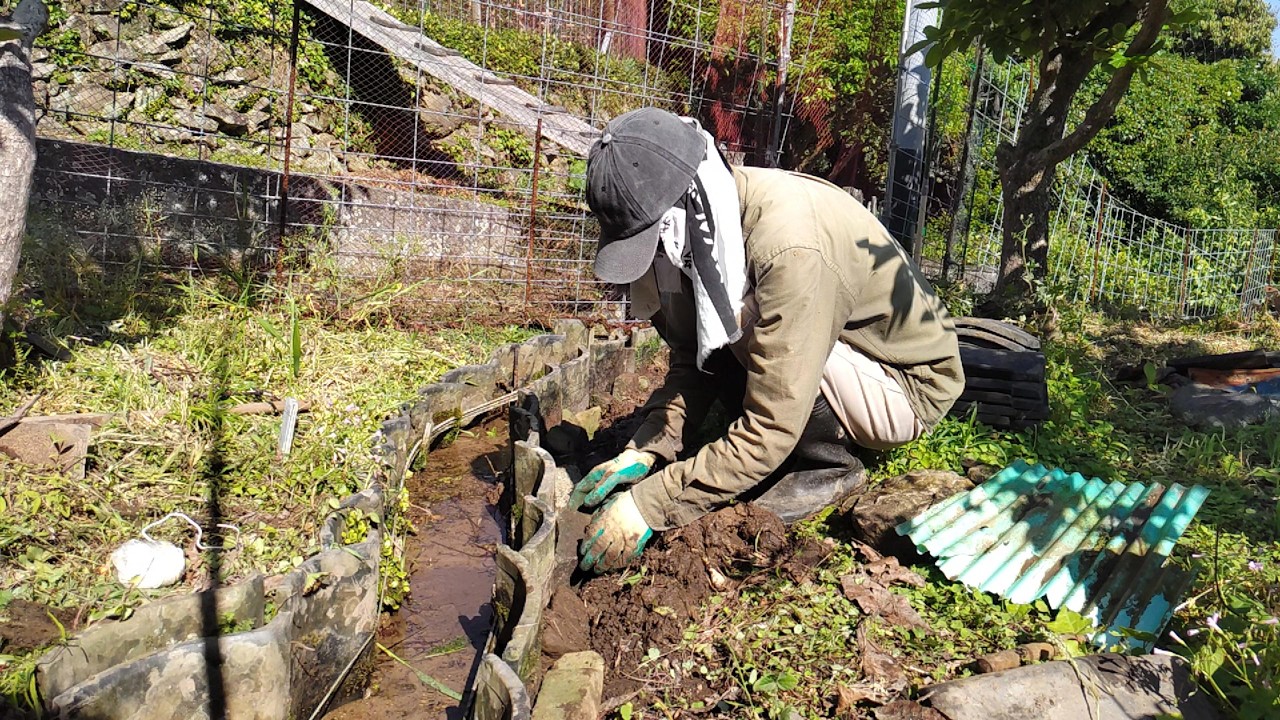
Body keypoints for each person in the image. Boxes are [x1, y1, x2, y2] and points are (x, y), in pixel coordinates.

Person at [574, 107, 964, 574]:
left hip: (902, 384)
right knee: (728, 319)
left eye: (653, 240)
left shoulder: (788, 249)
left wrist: (650, 506)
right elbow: (691, 357)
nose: (656, 255)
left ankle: (829, 466)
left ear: (683, 209)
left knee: (741, 316)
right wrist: (647, 446)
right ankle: (762, 439)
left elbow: (772, 426)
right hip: (826, 350)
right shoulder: (705, 229)